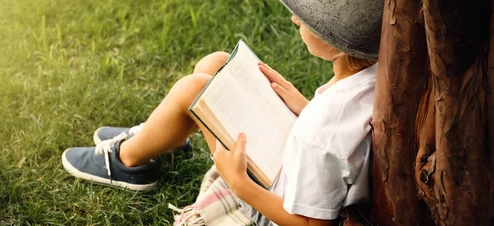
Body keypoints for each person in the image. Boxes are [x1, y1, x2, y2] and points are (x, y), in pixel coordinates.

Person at [61, 0, 383, 225]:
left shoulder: (321, 131)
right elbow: (340, 144)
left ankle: (128, 161)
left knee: (195, 91)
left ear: (340, 45)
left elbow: (312, 224)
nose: (295, 19)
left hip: (269, 200)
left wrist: (239, 183)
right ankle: (159, 138)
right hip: (295, 168)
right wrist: (304, 105)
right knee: (215, 64)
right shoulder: (375, 74)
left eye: (309, 20)